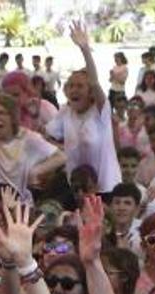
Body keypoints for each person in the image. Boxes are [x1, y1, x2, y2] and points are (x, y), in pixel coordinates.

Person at [45, 23, 121, 193]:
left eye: (80, 86)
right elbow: (47, 134)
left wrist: (85, 49)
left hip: (105, 187)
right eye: (70, 86)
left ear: (90, 92)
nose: (74, 90)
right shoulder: (66, 111)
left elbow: (94, 81)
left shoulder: (101, 110)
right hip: (76, 188)